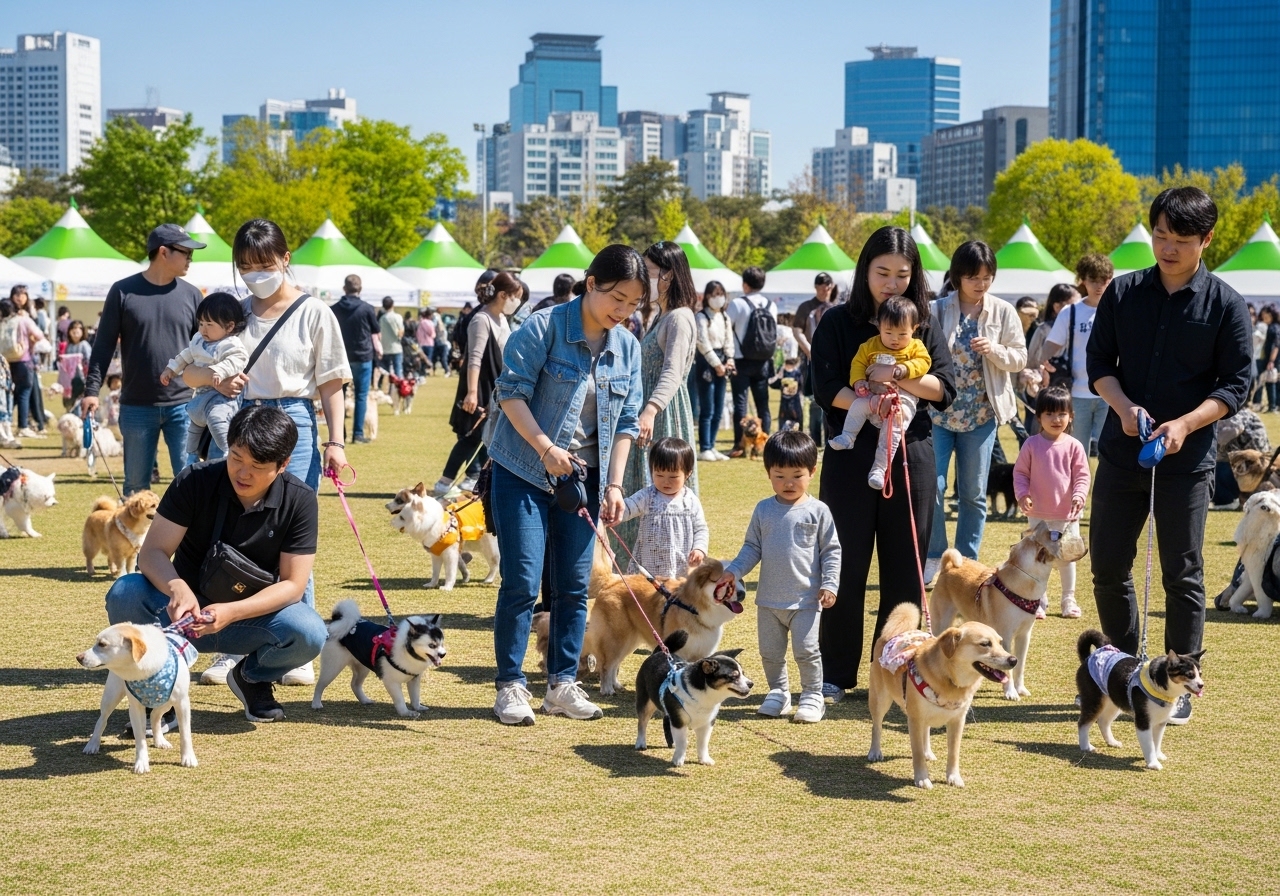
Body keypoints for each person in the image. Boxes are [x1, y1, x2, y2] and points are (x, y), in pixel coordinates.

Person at [1087, 186, 1251, 724]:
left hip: (1188, 460)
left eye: (1181, 239)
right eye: (1160, 235)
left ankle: (1177, 688)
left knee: (1182, 574)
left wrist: (1185, 423)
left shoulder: (1226, 304)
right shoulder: (1122, 292)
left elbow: (1236, 385)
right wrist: (1123, 406)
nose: (1167, 248)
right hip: (1121, 453)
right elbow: (1098, 364)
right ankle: (1124, 673)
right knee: (1109, 567)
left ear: (1207, 239)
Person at [188, 218, 351, 689]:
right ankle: (232, 644)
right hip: (240, 419)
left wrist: (336, 443)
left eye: (263, 264)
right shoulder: (232, 313)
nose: (255, 274)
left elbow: (331, 382)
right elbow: (190, 371)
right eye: (245, 266)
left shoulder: (314, 312)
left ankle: (297, 648)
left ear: (285, 259)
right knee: (235, 532)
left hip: (294, 422)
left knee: (290, 536)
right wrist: (218, 381)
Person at [487, 244, 644, 726]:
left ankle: (561, 684)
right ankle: (510, 685)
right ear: (591, 283)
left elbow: (626, 423)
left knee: (575, 586)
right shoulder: (544, 326)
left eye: (634, 303)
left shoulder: (628, 347)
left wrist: (614, 485)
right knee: (522, 580)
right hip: (523, 470)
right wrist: (545, 448)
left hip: (584, 481)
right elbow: (510, 394)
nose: (623, 311)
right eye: (617, 298)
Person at [104, 405, 328, 725]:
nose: (242, 473)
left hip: (250, 620)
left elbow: (293, 585)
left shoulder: (300, 499)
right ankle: (158, 687)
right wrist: (177, 588)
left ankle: (251, 677)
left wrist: (232, 612)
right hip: (180, 616)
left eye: (257, 466)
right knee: (125, 591)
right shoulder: (194, 480)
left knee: (310, 631)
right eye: (236, 457)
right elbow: (151, 552)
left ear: (283, 464)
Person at [810, 226, 955, 701]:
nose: (892, 283)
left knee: (905, 571)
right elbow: (825, 386)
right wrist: (868, 402)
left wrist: (895, 377)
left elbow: (945, 389)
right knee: (844, 565)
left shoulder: (923, 323)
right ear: (864, 271)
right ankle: (835, 674)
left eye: (902, 274)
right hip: (850, 456)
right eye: (882, 273)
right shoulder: (837, 321)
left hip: (910, 455)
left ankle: (898, 669)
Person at [718, 431, 840, 723]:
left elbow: (831, 551)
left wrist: (830, 584)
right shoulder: (764, 509)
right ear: (768, 473)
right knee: (770, 653)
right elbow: (752, 548)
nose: (788, 483)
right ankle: (779, 692)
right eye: (779, 476)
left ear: (812, 471)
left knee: (807, 650)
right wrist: (733, 571)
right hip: (769, 602)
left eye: (797, 476)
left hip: (806, 600)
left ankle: (812, 694)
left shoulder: (818, 511)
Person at [924, 241, 1027, 582]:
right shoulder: (936, 309)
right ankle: (935, 556)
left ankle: (966, 562)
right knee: (932, 486)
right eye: (973, 277)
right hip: (937, 413)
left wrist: (994, 350)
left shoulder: (1004, 311)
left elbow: (1020, 358)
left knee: (973, 493)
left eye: (986, 277)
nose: (980, 284)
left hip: (982, 415)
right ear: (957, 277)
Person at [82, 224, 206, 495]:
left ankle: (190, 527)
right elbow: (103, 346)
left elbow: (205, 349)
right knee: (136, 489)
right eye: (186, 252)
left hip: (184, 405)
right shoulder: (122, 291)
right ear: (163, 252)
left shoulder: (193, 295)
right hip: (136, 406)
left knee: (191, 485)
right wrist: (91, 390)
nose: (190, 259)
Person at [615, 241, 700, 548]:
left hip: (663, 415)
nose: (642, 277)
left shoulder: (679, 318)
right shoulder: (661, 316)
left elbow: (673, 372)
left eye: (648, 270)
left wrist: (650, 409)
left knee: (663, 489)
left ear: (669, 275)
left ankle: (666, 564)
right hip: (649, 413)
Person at [828, 296, 932, 492]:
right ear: (878, 326)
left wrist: (900, 370)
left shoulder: (916, 346)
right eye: (888, 332)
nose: (895, 339)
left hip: (902, 398)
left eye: (902, 334)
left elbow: (923, 362)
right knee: (858, 406)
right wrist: (858, 382)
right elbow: (858, 364)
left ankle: (880, 469)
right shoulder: (870, 345)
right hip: (873, 394)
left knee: (891, 431)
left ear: (914, 328)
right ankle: (848, 436)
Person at [432, 272, 519, 496]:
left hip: (496, 385)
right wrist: (472, 393)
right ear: (503, 295)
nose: (516, 302)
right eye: (514, 297)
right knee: (472, 435)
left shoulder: (501, 318)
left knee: (487, 438)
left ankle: (478, 481)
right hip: (479, 386)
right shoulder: (481, 319)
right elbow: (474, 358)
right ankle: (444, 482)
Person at [1014, 386, 1090, 619]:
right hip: (1038, 514)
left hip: (1068, 515)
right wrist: (1023, 494)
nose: (1056, 419)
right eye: (1049, 414)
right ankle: (1039, 600)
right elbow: (1020, 474)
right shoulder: (1031, 445)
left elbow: (1082, 476)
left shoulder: (1074, 446)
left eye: (1061, 414)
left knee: (1067, 558)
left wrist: (1079, 495)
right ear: (1038, 417)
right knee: (1039, 558)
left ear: (1071, 416)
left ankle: (1068, 599)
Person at [161, 293, 249, 458]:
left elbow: (238, 359)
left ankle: (227, 451)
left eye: (209, 324)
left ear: (229, 327)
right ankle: (191, 455)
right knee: (193, 428)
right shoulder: (198, 340)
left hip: (222, 399)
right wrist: (171, 369)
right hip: (200, 395)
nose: (203, 329)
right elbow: (186, 355)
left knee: (217, 420)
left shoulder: (230, 344)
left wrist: (220, 371)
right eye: (201, 323)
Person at [1043, 253, 1114, 456]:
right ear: (1083, 280)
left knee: (1109, 454)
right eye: (1093, 280)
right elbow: (1050, 346)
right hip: (1076, 393)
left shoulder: (1119, 310)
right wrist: (1042, 362)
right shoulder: (1070, 312)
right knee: (1076, 453)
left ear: (1110, 279)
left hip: (1112, 393)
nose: (1099, 286)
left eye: (1104, 280)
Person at [615, 436, 708, 580]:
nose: (665, 481)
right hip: (649, 566)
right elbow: (628, 507)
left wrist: (699, 548)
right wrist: (613, 509)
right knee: (648, 592)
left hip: (681, 565)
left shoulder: (690, 501)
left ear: (687, 473)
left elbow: (701, 528)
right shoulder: (647, 496)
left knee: (678, 592)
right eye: (659, 475)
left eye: (673, 477)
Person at [727, 266, 778, 456]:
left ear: (745, 284)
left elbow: (727, 328)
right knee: (763, 404)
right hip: (764, 360)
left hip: (741, 360)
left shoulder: (737, 304)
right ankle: (765, 443)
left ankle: (740, 445)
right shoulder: (771, 305)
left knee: (740, 404)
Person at [329, 274, 382, 444]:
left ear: (344, 289)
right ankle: (358, 434)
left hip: (340, 357)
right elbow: (376, 331)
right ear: (360, 289)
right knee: (361, 395)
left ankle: (340, 434)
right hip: (363, 356)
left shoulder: (334, 309)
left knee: (338, 395)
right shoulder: (367, 308)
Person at [794, 273, 841, 447]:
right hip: (811, 360)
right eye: (820, 286)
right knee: (814, 399)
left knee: (833, 399)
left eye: (827, 287)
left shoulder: (837, 307)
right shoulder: (806, 307)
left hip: (833, 360)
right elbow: (797, 330)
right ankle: (814, 440)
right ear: (815, 287)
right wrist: (809, 350)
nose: (824, 290)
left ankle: (831, 437)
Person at [694, 280, 732, 462]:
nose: (718, 298)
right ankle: (705, 447)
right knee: (707, 408)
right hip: (707, 363)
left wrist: (730, 359)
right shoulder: (701, 317)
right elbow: (702, 343)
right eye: (715, 295)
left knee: (718, 408)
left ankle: (713, 445)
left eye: (721, 294)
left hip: (723, 361)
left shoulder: (724, 317)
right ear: (707, 297)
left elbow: (729, 341)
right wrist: (717, 364)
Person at [1, 296, 44, 439]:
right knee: (24, 393)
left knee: (9, 393)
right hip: (23, 359)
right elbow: (39, 335)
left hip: (7, 361)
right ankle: (22, 426)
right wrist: (31, 341)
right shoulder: (23, 320)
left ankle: (6, 422)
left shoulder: (3, 322)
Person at [57, 320, 92, 410]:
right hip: (69, 382)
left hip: (81, 380)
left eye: (79, 328)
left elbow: (89, 362)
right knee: (69, 404)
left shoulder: (84, 345)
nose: (76, 330)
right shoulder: (68, 346)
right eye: (73, 328)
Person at [771, 356, 805, 433]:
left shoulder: (798, 373)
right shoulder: (782, 371)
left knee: (797, 427)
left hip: (795, 403)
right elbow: (773, 384)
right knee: (783, 428)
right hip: (785, 404)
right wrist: (779, 376)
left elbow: (801, 386)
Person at [377, 297, 404, 386]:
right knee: (397, 370)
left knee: (385, 371)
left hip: (385, 347)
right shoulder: (397, 317)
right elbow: (400, 333)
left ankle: (380, 385)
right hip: (396, 347)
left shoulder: (382, 318)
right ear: (393, 305)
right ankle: (398, 388)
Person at [1258, 304, 1280, 412]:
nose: (1263, 317)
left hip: (1273, 360)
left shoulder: (1274, 327)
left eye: (1265, 315)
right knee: (1273, 382)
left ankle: (1272, 406)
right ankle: (1274, 405)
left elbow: (1276, 345)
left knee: (1271, 382)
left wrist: (1271, 361)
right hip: (1273, 359)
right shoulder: (1273, 326)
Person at [415, 305, 437, 375]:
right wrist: (433, 335)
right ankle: (424, 371)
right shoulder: (429, 322)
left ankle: (422, 371)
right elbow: (431, 333)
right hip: (428, 343)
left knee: (422, 358)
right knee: (427, 358)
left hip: (421, 342)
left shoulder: (421, 322)